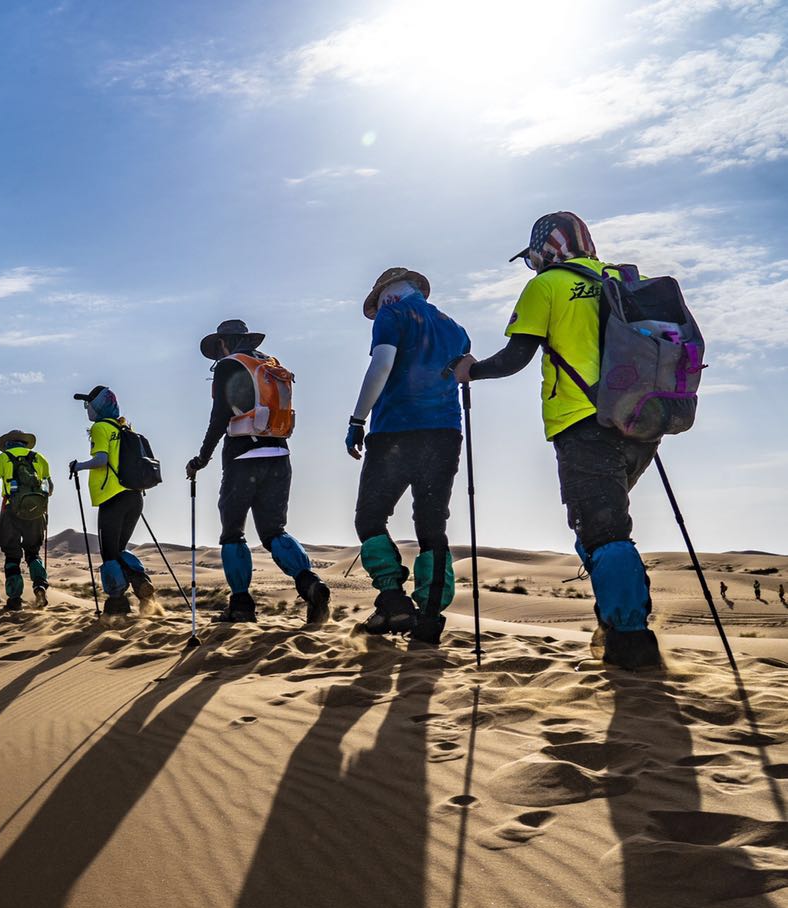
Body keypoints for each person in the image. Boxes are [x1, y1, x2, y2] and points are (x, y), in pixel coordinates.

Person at [455, 211, 659, 669]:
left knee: (604, 531)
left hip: (582, 421)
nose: (533, 268)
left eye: (533, 259)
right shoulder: (623, 278)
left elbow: (514, 357)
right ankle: (615, 620)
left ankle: (630, 640)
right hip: (644, 423)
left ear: (548, 251)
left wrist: (471, 371)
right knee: (599, 525)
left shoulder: (546, 286)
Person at [346, 267, 469, 646]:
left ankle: (392, 597)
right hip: (445, 433)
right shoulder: (456, 328)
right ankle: (431, 616)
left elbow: (381, 365)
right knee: (432, 522)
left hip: (395, 431)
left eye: (378, 299)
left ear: (389, 292)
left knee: (370, 517)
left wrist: (356, 419)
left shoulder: (392, 314)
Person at [186, 318, 331, 625]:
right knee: (274, 531)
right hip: (279, 456)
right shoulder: (269, 364)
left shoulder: (230, 365)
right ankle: (310, 584)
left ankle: (240, 605)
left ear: (224, 342)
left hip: (243, 458)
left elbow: (219, 418)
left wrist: (202, 458)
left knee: (233, 532)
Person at [68, 387, 152, 616]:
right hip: (134, 497)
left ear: (99, 406)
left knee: (109, 553)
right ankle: (141, 581)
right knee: (118, 549)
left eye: (89, 405)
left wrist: (79, 466)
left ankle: (117, 604)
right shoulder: (124, 426)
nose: (87, 410)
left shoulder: (100, 428)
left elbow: (102, 459)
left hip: (112, 498)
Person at [0, 429, 51, 611]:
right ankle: (40, 585)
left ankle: (14, 598)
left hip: (11, 509)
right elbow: (49, 487)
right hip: (36, 511)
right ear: (24, 443)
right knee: (33, 552)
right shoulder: (39, 458)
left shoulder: (3, 458)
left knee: (12, 555)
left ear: (8, 444)